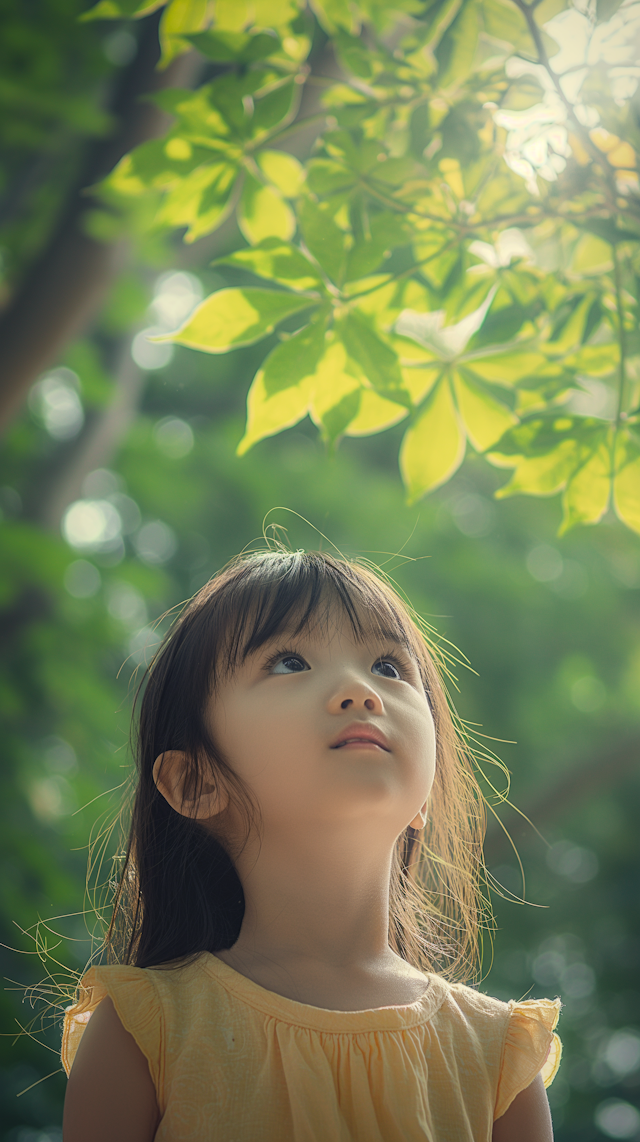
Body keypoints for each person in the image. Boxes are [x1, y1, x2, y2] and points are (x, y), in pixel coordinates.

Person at [61, 548, 561, 1141]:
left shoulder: (497, 1056)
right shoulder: (146, 1031)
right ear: (196, 782)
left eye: (389, 667)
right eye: (289, 661)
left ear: (424, 796)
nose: (360, 689)